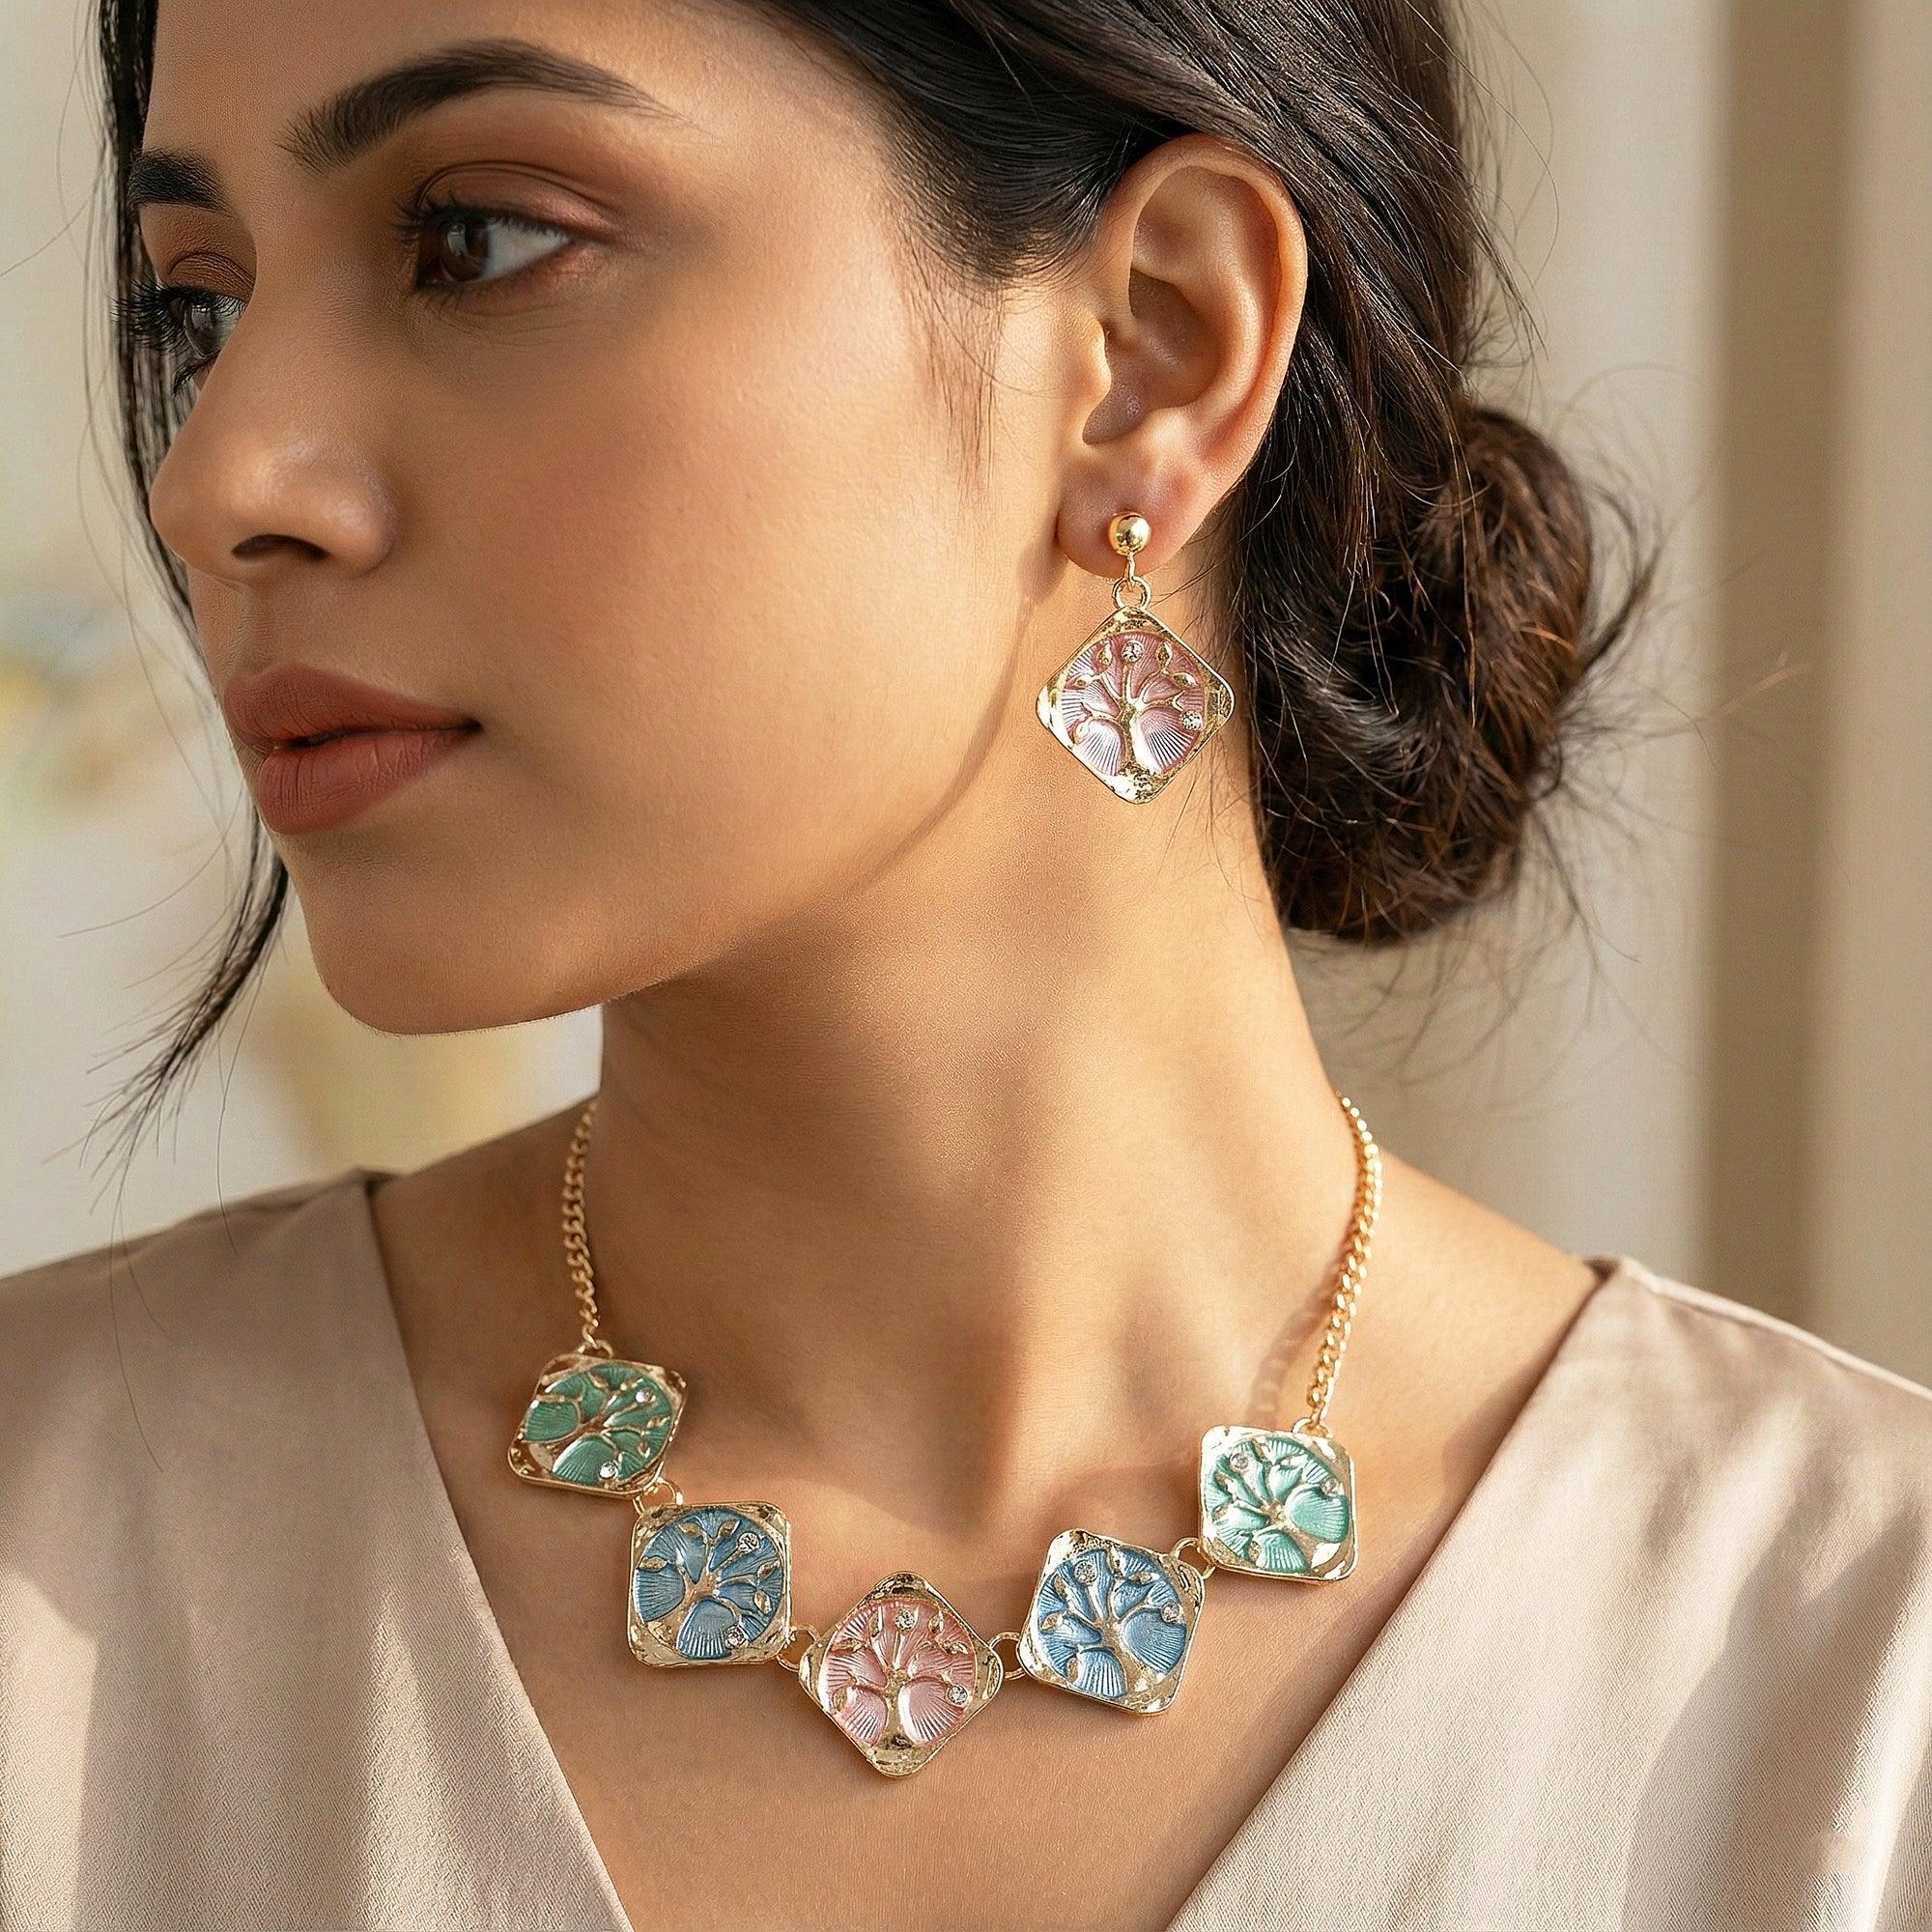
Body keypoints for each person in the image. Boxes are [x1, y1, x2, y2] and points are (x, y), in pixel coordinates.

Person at [4, 0, 1928, 1927]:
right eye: (200, 303)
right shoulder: (47, 1569)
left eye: (479, 239)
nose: (221, 475)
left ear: (1152, 352)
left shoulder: (1857, 1687)